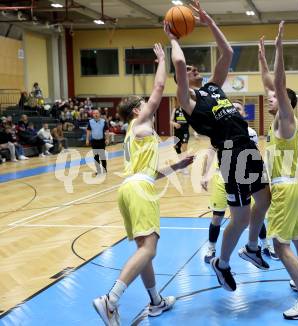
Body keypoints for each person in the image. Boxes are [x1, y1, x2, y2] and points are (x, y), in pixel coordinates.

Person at [165, 0, 271, 292]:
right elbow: (177, 64)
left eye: (193, 67)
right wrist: (173, 38)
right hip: (231, 154)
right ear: (182, 80)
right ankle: (222, 263)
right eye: (187, 70)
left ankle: (252, 248)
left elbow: (228, 52)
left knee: (264, 201)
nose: (191, 69)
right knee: (239, 217)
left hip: (247, 148)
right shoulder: (186, 100)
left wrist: (208, 20)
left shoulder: (212, 88)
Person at [93, 44, 193, 325]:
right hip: (138, 190)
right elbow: (160, 86)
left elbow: (149, 172)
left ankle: (156, 301)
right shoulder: (140, 122)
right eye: (145, 104)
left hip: (130, 187)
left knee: (144, 249)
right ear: (138, 109)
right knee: (149, 249)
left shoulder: (133, 133)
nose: (150, 104)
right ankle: (110, 299)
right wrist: (162, 60)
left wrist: (177, 166)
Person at [259, 22, 298, 319]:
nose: (269, 96)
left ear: (286, 103)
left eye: (274, 97)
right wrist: (261, 59)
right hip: (292, 185)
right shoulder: (278, 122)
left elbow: (278, 86)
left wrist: (280, 48)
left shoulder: (286, 119)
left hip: (284, 188)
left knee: (280, 246)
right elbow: (271, 83)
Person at [201, 101, 278, 263]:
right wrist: (204, 174)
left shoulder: (250, 132)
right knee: (217, 217)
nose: (235, 111)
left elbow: (255, 154)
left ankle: (264, 244)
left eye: (238, 109)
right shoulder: (220, 130)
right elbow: (210, 152)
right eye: (232, 108)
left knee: (256, 213)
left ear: (243, 113)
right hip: (224, 178)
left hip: (246, 179)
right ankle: (211, 247)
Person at [86, 109, 110, 175]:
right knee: (96, 157)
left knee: (102, 156)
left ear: (99, 114)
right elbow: (88, 131)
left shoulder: (103, 121)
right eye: (94, 113)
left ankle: (104, 170)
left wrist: (107, 139)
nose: (96, 114)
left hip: (101, 141)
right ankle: (98, 171)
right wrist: (87, 139)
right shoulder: (90, 122)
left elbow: (107, 131)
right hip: (94, 141)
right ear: (93, 115)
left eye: (97, 113)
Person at [170, 98, 190, 174]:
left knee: (184, 150)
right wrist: (174, 124)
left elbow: (192, 121)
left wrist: (195, 132)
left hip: (185, 132)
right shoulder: (175, 109)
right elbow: (171, 121)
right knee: (177, 150)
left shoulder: (187, 109)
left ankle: (185, 167)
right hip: (177, 133)